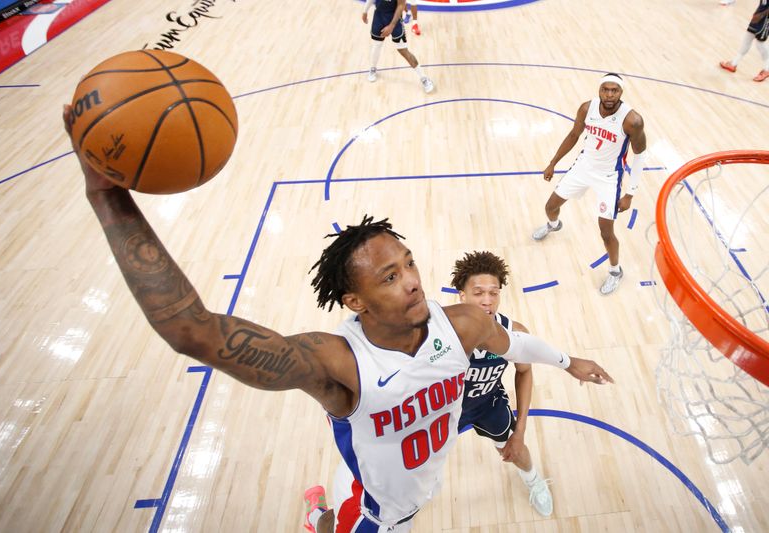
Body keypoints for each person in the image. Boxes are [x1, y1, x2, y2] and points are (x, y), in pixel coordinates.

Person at [62, 106, 612, 533]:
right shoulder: (337, 362)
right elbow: (193, 331)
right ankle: (317, 517)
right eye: (390, 277)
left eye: (409, 264)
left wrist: (570, 361)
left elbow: (517, 346)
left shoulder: (461, 324)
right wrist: (106, 196)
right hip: (373, 509)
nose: (414, 280)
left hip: (416, 487)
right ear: (356, 301)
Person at [450, 251, 553, 517]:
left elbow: (525, 372)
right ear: (462, 296)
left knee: (514, 450)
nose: (487, 301)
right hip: (447, 410)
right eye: (478, 292)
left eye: (493, 293)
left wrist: (520, 432)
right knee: (420, 464)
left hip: (488, 404)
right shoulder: (442, 333)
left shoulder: (514, 331)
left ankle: (533, 480)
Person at [531, 73, 647, 295]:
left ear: (621, 93)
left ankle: (615, 271)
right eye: (606, 89)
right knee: (550, 207)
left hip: (609, 177)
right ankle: (554, 225)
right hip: (583, 167)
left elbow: (640, 155)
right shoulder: (587, 109)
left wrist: (630, 193)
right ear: (599, 90)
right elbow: (574, 134)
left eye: (615, 90)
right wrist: (553, 162)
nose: (610, 94)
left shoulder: (632, 120)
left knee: (606, 231)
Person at [362, 0, 434, 93]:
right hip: (379, 17)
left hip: (394, 19)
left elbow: (401, 5)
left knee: (403, 50)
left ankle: (424, 78)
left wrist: (391, 26)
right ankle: (372, 69)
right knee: (377, 45)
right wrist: (365, 11)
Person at [719, 0, 769, 82]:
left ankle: (767, 69)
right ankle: (733, 64)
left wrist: (760, 15)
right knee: (747, 37)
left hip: (765, 19)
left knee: (760, 44)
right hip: (759, 14)